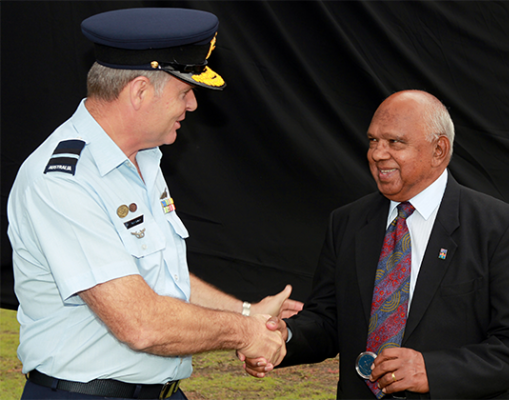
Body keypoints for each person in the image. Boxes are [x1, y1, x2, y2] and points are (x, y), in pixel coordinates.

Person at [7, 8, 302, 400]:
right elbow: (140, 322)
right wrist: (244, 333)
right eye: (185, 91)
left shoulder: (142, 158)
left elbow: (160, 277)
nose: (193, 105)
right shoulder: (64, 180)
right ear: (140, 91)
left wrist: (246, 313)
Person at [242, 90, 509, 400]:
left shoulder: (498, 227)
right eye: (373, 140)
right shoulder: (347, 222)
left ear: (439, 150)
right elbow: (329, 321)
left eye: (395, 143)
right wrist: (286, 335)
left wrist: (433, 371)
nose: (377, 153)